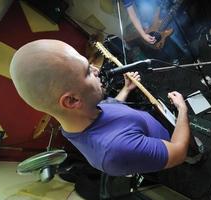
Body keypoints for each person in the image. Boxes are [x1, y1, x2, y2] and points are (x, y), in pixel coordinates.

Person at [10, 39, 192, 176]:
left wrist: (126, 90)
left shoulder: (85, 110)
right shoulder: (116, 149)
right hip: (175, 143)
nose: (97, 70)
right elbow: (178, 152)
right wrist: (182, 110)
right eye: (88, 71)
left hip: (163, 129)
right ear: (72, 100)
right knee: (193, 153)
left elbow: (112, 109)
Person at [123, 0, 192, 61]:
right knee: (166, 38)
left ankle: (191, 56)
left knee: (177, 33)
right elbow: (132, 14)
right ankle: (176, 58)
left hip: (163, 6)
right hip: (151, 17)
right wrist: (143, 34)